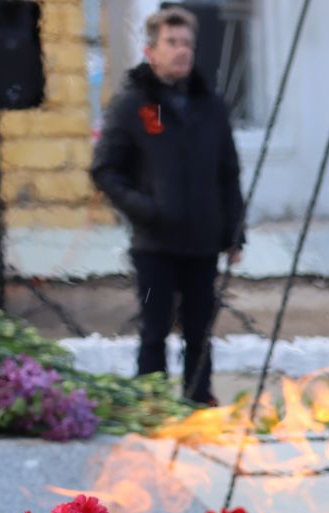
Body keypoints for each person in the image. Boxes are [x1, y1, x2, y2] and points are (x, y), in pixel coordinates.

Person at [91, 5, 245, 406]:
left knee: (199, 331)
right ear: (151, 51)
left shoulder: (210, 105)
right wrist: (146, 208)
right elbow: (106, 170)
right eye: (172, 43)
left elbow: (228, 171)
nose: (182, 51)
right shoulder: (133, 105)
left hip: (202, 240)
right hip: (154, 244)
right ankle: (151, 403)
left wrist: (234, 232)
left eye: (187, 43)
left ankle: (198, 401)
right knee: (154, 329)